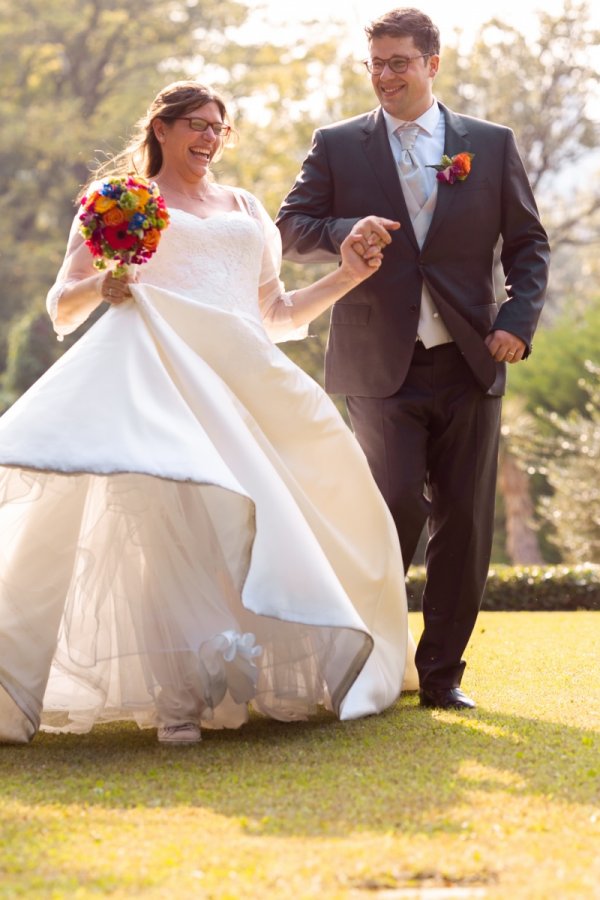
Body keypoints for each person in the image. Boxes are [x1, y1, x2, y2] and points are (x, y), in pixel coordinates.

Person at [0, 80, 419, 746]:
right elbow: (62, 306)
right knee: (173, 528)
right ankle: (178, 697)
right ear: (160, 128)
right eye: (195, 124)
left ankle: (244, 672)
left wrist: (346, 278)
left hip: (240, 383)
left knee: (273, 516)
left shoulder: (246, 208)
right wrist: (104, 283)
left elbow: (275, 316)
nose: (208, 137)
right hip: (160, 385)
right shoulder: (120, 203)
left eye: (219, 128)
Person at [276, 8, 550, 709]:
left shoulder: (489, 145)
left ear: (433, 64)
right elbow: (291, 227)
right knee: (390, 505)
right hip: (376, 364)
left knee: (464, 519)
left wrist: (516, 321)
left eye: (398, 63)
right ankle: (368, 656)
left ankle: (441, 677)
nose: (384, 77)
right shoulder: (337, 145)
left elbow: (528, 246)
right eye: (375, 64)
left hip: (470, 359)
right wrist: (344, 229)